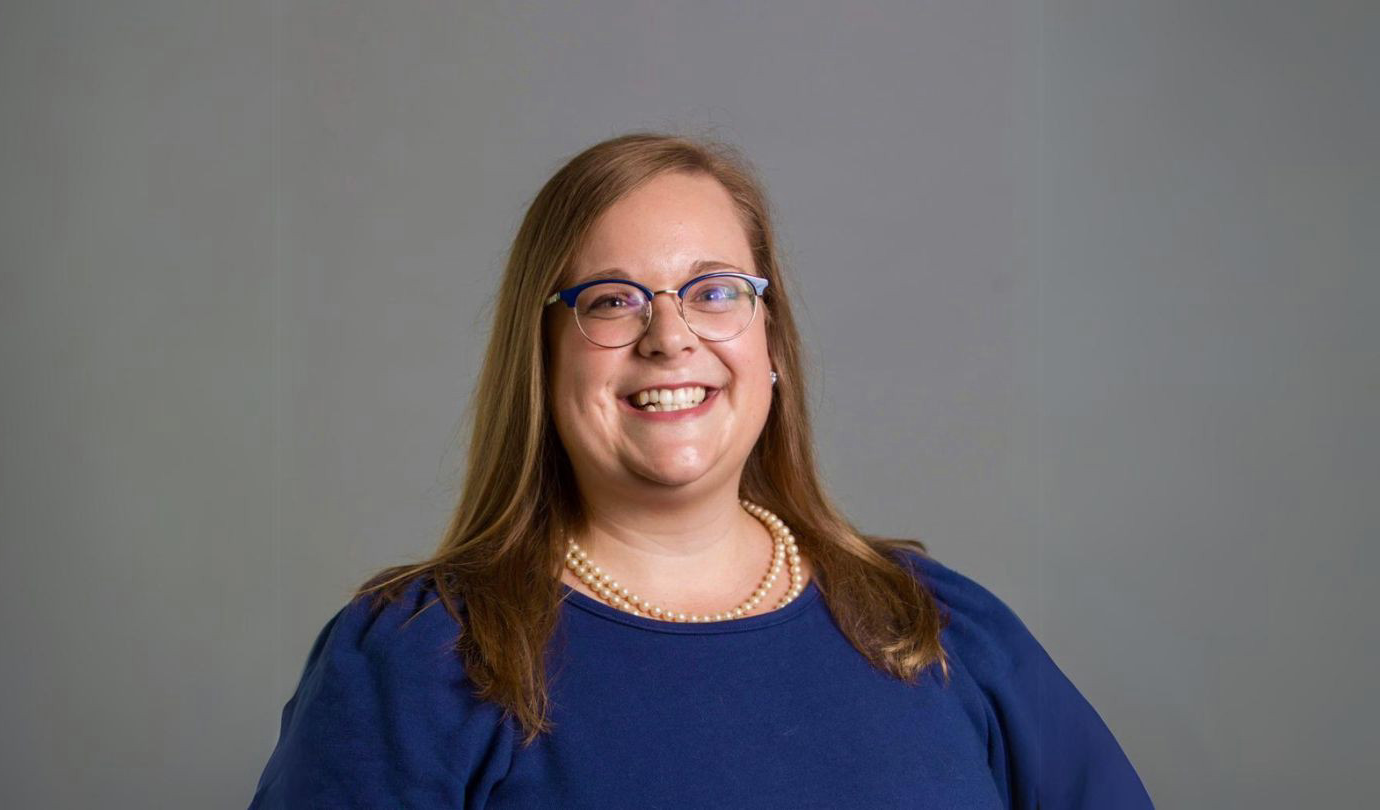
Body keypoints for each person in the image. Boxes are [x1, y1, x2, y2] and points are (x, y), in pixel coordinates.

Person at [248, 132, 1153, 808]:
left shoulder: (943, 630)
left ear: (772, 347)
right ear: (543, 359)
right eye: (611, 300)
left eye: (716, 291)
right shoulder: (412, 664)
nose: (670, 336)